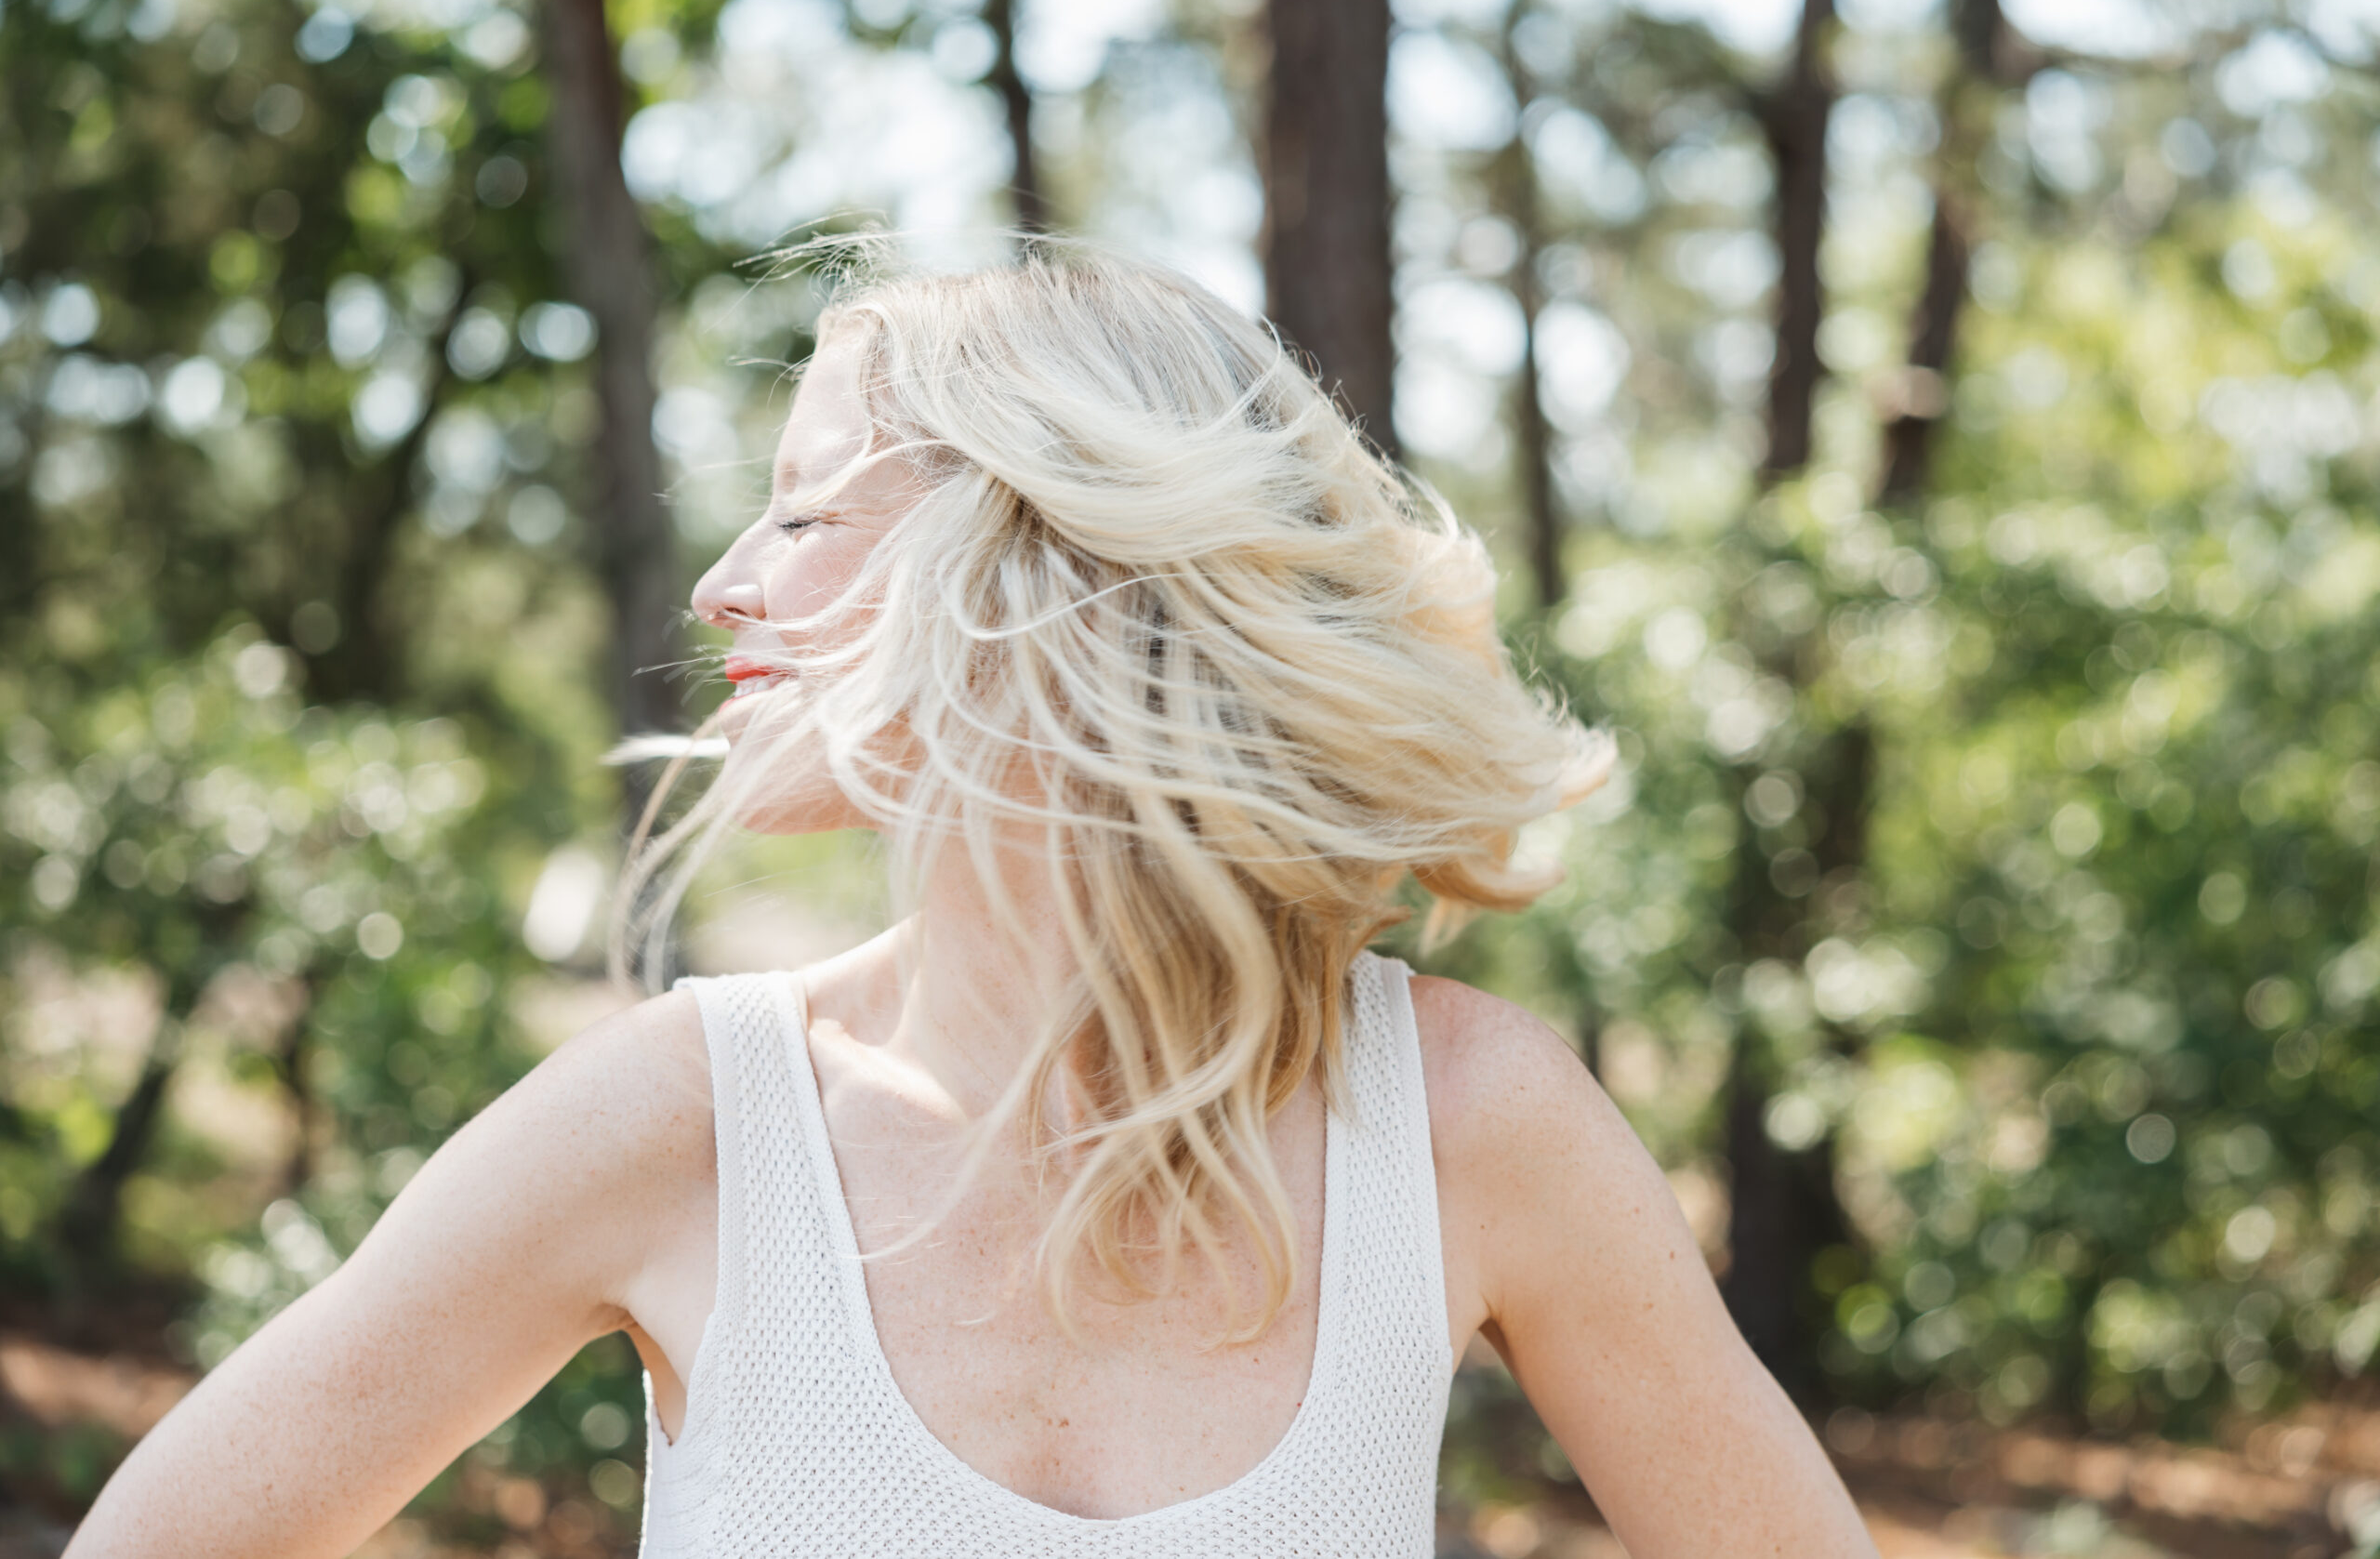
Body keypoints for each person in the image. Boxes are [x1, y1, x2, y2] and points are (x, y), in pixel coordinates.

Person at [68, 241, 1877, 1558]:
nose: (721, 587)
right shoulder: (681, 1118)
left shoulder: (1469, 1124)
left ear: (1034, 563)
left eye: (802, 513)